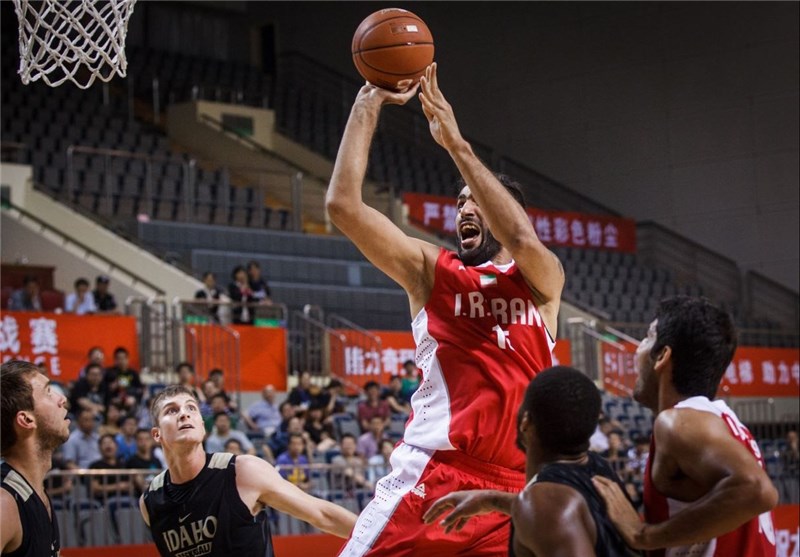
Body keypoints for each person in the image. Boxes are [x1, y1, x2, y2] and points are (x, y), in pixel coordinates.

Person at [326, 62, 564, 555]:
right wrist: (367, 104)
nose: (463, 210)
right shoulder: (433, 270)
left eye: (475, 200)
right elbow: (343, 206)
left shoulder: (542, 284)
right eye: (458, 203)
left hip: (511, 491)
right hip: (434, 475)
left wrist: (456, 144)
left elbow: (519, 236)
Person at [592, 296, 778, 556]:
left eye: (647, 338)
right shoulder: (725, 420)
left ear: (662, 357)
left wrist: (644, 535)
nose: (637, 349)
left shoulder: (678, 421)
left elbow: (757, 489)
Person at [423, 367, 639, 557]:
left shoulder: (544, 502)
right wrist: (491, 500)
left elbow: (551, 510)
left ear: (526, 422)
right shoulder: (599, 469)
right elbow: (562, 510)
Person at [139, 385, 357, 557]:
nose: (184, 414)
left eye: (191, 408)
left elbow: (321, 514)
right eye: (172, 410)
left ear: (203, 426)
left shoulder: (242, 471)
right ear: (156, 434)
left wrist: (385, 539)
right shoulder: (150, 502)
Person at [1, 360, 71, 556]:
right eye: (48, 391)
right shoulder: (4, 503)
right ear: (26, 419)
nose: (62, 398)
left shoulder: (36, 491)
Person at [104, 346, 144, 413]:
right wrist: (111, 387)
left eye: (123, 358)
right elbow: (104, 389)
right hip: (114, 402)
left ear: (127, 359)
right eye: (118, 358)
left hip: (129, 401)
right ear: (115, 360)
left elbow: (140, 389)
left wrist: (134, 398)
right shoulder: (109, 372)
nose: (121, 361)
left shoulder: (133, 373)